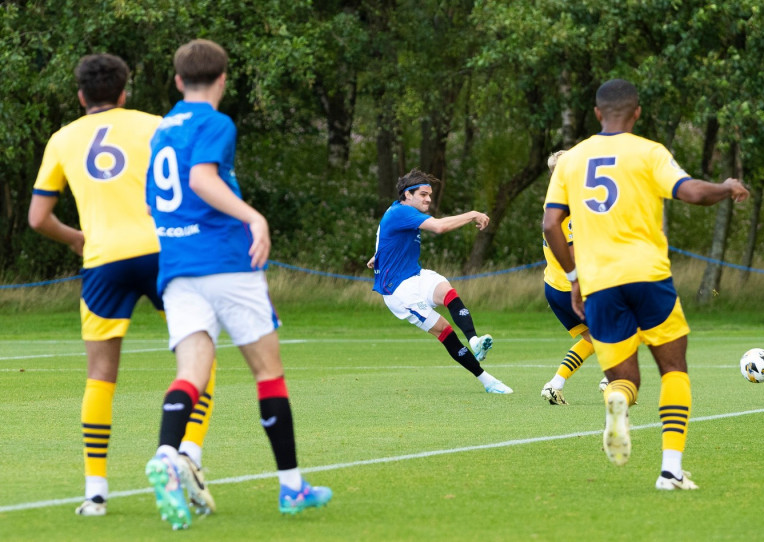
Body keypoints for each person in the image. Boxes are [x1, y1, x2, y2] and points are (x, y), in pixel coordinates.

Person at [143, 39, 331, 530]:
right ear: (223, 80)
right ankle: (293, 488)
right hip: (227, 261)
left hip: (177, 267)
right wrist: (255, 217)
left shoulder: (162, 130)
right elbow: (203, 180)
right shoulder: (217, 123)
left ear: (179, 81)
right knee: (268, 372)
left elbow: (154, 202)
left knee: (192, 371)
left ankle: (166, 454)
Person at [28, 53, 216, 517]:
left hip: (103, 261)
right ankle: (186, 456)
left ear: (80, 95)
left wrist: (76, 239)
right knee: (197, 357)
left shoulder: (62, 138)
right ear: (124, 91)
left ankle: (95, 493)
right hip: (163, 254)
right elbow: (193, 186)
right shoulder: (158, 125)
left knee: (100, 376)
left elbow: (37, 218)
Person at [543, 78, 749, 490]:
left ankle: (616, 401)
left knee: (625, 379)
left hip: (599, 284)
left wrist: (573, 279)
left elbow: (550, 224)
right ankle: (671, 469)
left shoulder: (571, 159)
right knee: (673, 368)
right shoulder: (648, 152)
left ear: (598, 114)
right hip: (648, 276)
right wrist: (726, 188)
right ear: (637, 112)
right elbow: (691, 192)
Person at [368, 169, 513, 394]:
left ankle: (474, 341)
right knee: (444, 330)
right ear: (407, 195)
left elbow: (383, 236)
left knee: (447, 291)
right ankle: (487, 381)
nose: (428, 199)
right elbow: (439, 227)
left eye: (430, 195)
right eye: (423, 194)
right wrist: (473, 214)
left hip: (415, 275)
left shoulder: (397, 212)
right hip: (399, 291)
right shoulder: (401, 213)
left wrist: (378, 257)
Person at [539, 151, 604, 405]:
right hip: (572, 287)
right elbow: (574, 252)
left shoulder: (555, 202)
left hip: (553, 286)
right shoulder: (566, 207)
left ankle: (555, 385)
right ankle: (613, 380)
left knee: (591, 338)